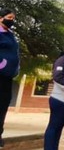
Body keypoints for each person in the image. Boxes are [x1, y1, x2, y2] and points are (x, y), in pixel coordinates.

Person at [0, 8, 19, 148]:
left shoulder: (10, 34)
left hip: (7, 77)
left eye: (13, 18)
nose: (11, 20)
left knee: (3, 105)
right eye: (9, 17)